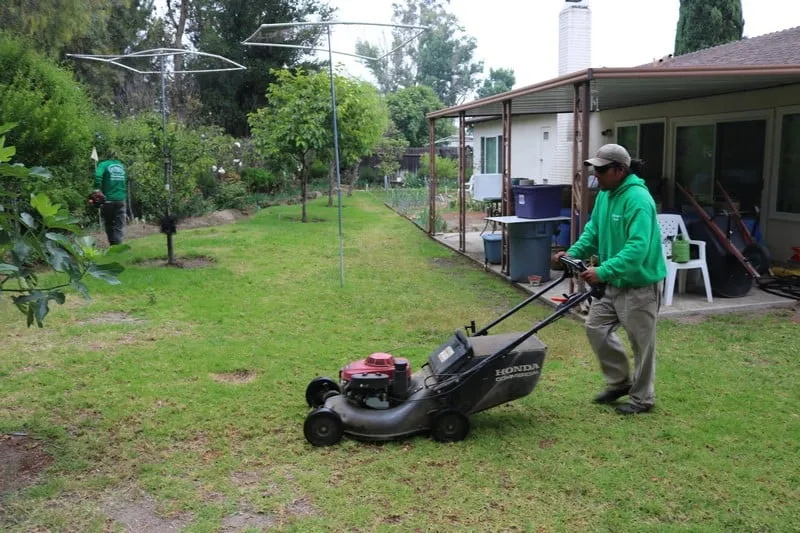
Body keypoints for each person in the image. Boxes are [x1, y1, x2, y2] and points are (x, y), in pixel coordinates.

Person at [555, 144, 666, 414]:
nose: (596, 175)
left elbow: (637, 248)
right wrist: (572, 254)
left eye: (602, 170)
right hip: (612, 283)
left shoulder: (638, 199)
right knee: (596, 328)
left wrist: (602, 271)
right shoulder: (605, 196)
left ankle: (642, 399)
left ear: (620, 170)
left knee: (642, 345)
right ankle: (619, 382)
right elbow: (593, 231)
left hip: (639, 285)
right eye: (595, 170)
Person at [93, 158, 128, 245]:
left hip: (108, 200)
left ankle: (113, 245)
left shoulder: (103, 164)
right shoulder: (121, 166)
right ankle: (118, 246)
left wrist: (96, 189)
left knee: (109, 224)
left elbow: (98, 176)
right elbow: (125, 180)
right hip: (121, 199)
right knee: (119, 226)